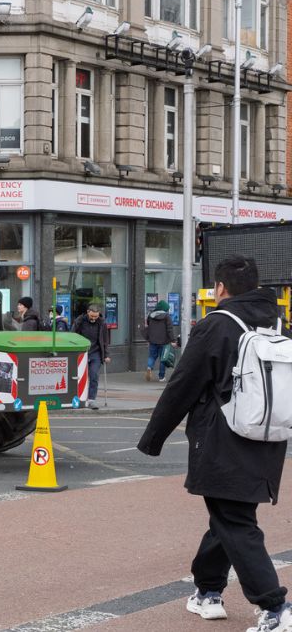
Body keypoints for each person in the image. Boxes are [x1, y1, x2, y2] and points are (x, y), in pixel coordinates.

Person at [138, 255, 292, 632]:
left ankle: (275, 607)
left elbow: (183, 384)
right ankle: (207, 590)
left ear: (220, 288)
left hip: (223, 440)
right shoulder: (277, 322)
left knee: (235, 521)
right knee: (228, 515)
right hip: (269, 437)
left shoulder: (217, 324)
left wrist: (152, 439)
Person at [71, 303, 110, 410]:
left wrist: (106, 355)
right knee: (78, 376)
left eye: (96, 316)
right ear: (88, 312)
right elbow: (72, 334)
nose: (93, 318)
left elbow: (105, 340)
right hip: (82, 352)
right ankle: (78, 399)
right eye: (92, 316)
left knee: (94, 375)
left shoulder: (101, 323)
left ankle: (91, 400)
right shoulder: (80, 321)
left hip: (96, 352)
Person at [144, 300, 178, 383]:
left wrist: (148, 339)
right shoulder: (166, 316)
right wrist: (173, 340)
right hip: (164, 341)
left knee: (152, 356)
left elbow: (148, 327)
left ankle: (149, 367)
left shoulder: (151, 315)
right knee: (163, 359)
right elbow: (169, 329)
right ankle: (161, 377)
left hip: (152, 340)